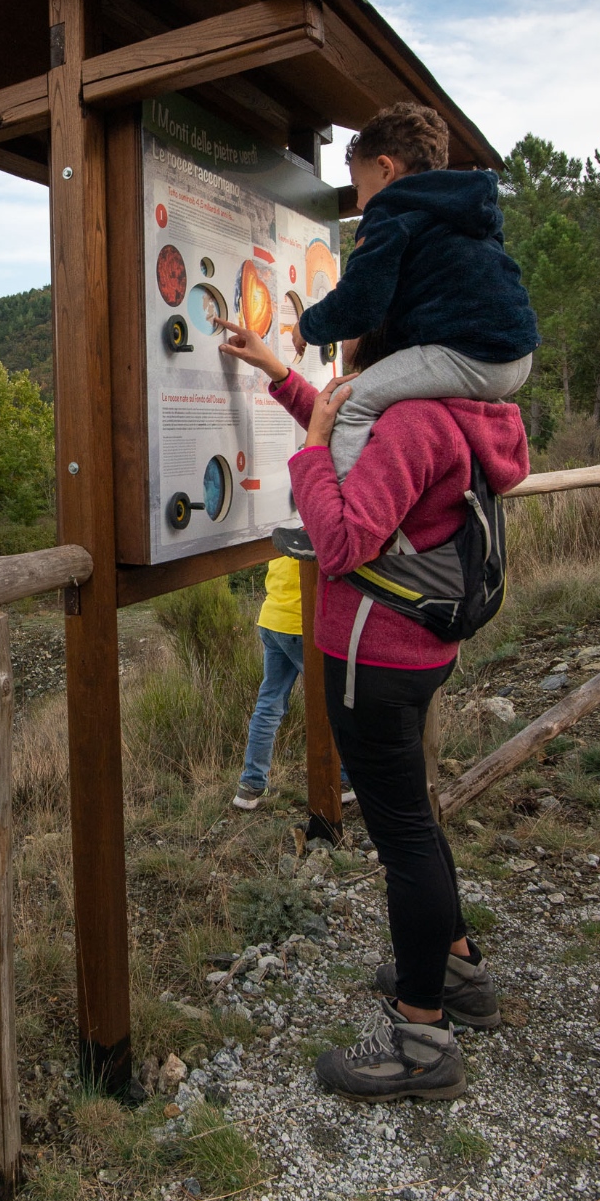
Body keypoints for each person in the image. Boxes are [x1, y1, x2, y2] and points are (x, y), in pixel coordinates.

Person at [219, 318, 529, 1102]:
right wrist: (284, 380)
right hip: (415, 651)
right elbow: (370, 470)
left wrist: (308, 452)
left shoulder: (409, 422)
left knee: (402, 841)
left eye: (350, 333)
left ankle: (422, 1037)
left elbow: (344, 535)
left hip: (374, 659)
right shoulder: (452, 407)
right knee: (414, 822)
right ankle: (457, 968)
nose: (340, 347)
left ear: (378, 347)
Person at [289, 100, 538, 488]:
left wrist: (309, 326)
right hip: (516, 354)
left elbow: (361, 305)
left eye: (358, 185)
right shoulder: (462, 208)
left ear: (386, 169)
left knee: (350, 404)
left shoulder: (391, 210)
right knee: (392, 393)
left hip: (469, 352)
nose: (357, 201)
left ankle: (339, 518)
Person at [232, 558, 349, 811]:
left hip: (273, 620)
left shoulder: (278, 520)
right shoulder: (312, 523)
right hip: (302, 623)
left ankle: (251, 785)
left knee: (268, 705)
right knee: (337, 701)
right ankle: (344, 781)